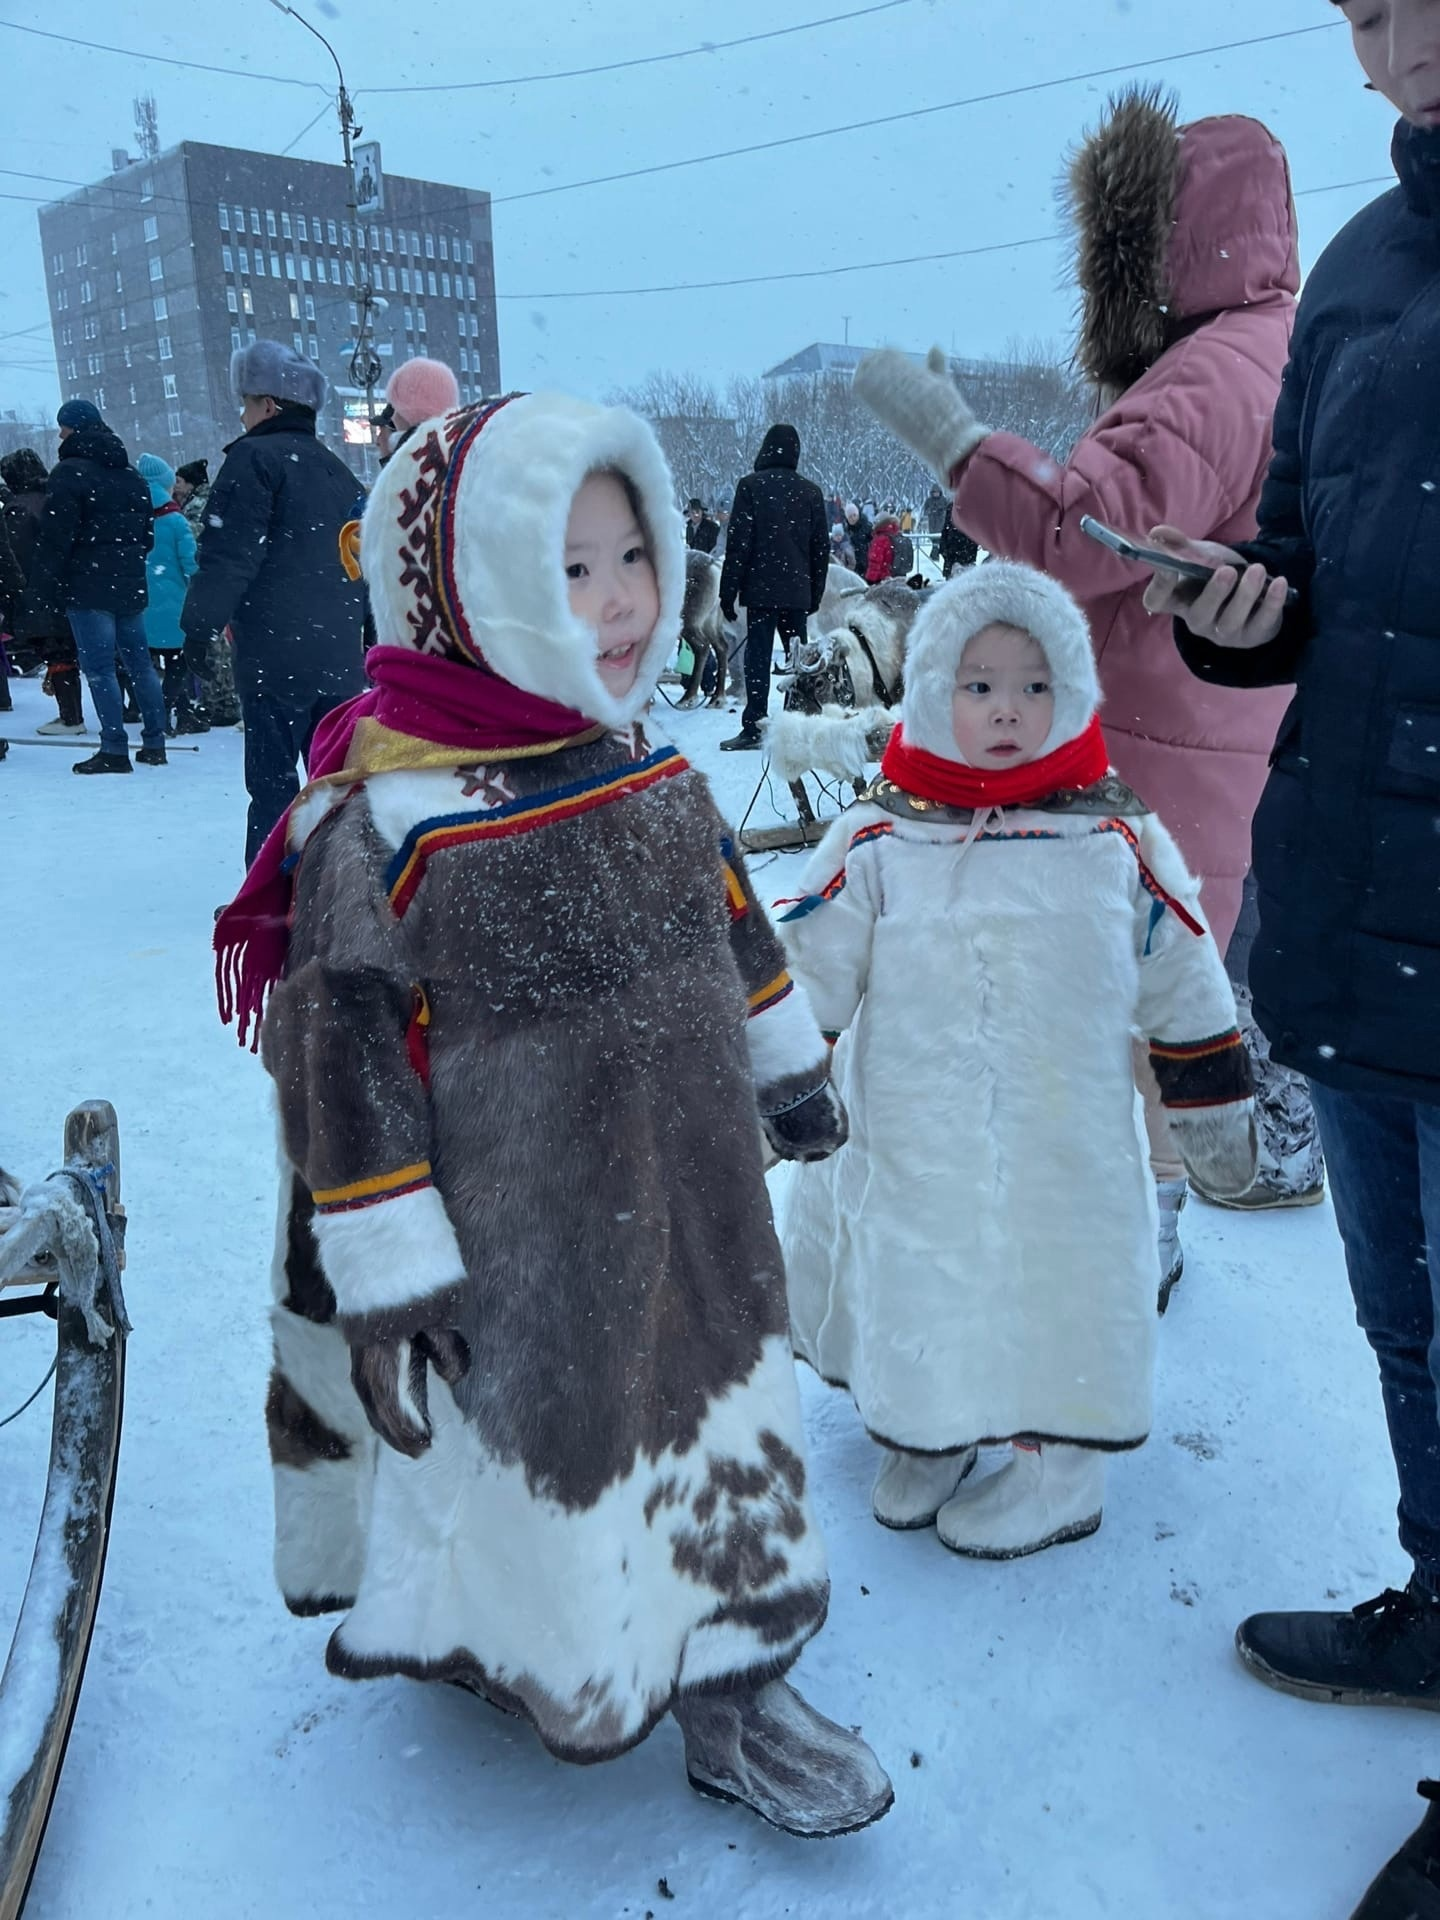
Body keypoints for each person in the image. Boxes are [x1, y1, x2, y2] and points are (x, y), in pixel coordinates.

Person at [213, 390, 893, 1840]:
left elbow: (735, 927)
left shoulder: (649, 769)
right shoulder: (385, 821)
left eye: (631, 556)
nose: (620, 603)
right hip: (520, 1250)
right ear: (462, 590)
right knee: (552, 1463)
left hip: (700, 1208)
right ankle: (537, 1647)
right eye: (567, 569)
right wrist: (389, 1275)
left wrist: (788, 1070)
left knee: (720, 1438)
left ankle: (736, 1690)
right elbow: (344, 1055)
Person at [1145, 4, 1440, 1908]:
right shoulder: (1360, 270)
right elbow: (1301, 571)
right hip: (1353, 905)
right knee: (1405, 1325)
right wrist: (1247, 617)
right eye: (1356, 12)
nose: (1380, 46)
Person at [854, 88, 1308, 1294]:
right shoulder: (1274, 346)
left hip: (1159, 743)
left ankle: (1116, 1247)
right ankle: (1143, 1230)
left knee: (1112, 1006)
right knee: (1165, 997)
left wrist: (953, 441)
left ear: (1169, 235)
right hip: (1218, 736)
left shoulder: (1211, 374)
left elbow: (1078, 533)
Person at [774, 563, 1254, 1557]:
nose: (1007, 710)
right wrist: (784, 1083)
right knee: (922, 1270)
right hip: (916, 1124)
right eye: (978, 683)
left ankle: (1060, 1473)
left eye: (1036, 687)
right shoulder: (880, 829)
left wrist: (1205, 1097)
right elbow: (810, 959)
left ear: (1073, 689)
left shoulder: (1111, 831)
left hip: (1059, 1130)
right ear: (929, 684)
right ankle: (931, 1425)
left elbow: (1182, 960)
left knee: (1054, 1283)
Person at [181, 342, 365, 863]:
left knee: (273, 785)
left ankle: (270, 899)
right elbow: (365, 561)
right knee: (334, 786)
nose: (242, 413)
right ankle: (338, 888)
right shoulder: (339, 471)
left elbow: (228, 555)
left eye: (246, 402)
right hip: (339, 660)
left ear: (270, 405)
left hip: (276, 656)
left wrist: (198, 627)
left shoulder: (253, 460)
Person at [20, 399, 166, 774]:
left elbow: (56, 537)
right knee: (140, 665)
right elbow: (146, 537)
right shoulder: (132, 475)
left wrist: (41, 587)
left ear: (74, 429)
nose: (59, 434)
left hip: (87, 586)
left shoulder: (68, 473)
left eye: (62, 426)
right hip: (130, 584)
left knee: (100, 669)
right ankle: (154, 742)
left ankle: (114, 749)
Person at [717, 423, 830, 750]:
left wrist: (728, 593)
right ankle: (797, 727)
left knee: (757, 660)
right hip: (796, 593)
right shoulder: (810, 492)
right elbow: (820, 549)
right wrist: (814, 594)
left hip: (761, 592)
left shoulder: (751, 487)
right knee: (799, 662)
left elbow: (738, 546)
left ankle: (755, 727)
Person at [1, 450, 86, 734]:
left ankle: (70, 716)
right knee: (66, 649)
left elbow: (16, 555)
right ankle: (74, 713)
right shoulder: (55, 497)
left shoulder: (19, 509)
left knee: (55, 650)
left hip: (38, 590)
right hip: (66, 586)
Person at [135, 454, 205, 736]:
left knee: (147, 665)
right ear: (165, 483)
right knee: (180, 663)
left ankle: (178, 713)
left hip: (141, 604)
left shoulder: (131, 516)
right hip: (175, 604)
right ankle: (165, 712)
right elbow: (191, 564)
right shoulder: (175, 520)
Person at [373, 355, 460, 465]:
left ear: (412, 413)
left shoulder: (413, 470)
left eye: (397, 410)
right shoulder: (460, 460)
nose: (394, 417)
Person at [865, 513, 898, 584]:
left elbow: (875, 562)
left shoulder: (880, 540)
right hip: (895, 577)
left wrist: (869, 580)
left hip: (882, 579)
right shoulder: (895, 534)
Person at [845, 501, 873, 579]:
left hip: (866, 562)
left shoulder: (867, 527)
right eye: (850, 517)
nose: (853, 518)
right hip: (853, 564)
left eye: (854, 515)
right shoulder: (847, 530)